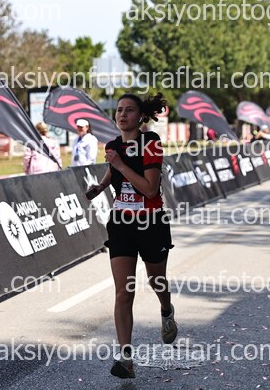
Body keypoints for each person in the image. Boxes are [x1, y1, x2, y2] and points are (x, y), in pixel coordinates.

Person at [85, 93, 175, 379]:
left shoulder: (151, 143)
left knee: (157, 281)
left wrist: (121, 165)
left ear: (140, 116)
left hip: (151, 222)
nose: (122, 115)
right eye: (119, 110)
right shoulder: (113, 146)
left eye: (129, 110)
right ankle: (126, 358)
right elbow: (113, 170)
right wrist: (101, 187)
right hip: (122, 223)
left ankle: (166, 309)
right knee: (124, 292)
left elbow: (150, 189)